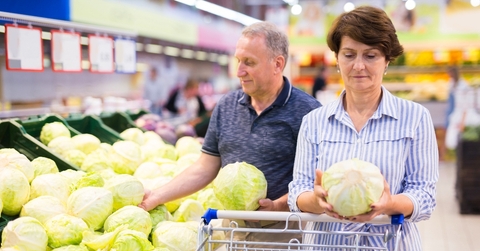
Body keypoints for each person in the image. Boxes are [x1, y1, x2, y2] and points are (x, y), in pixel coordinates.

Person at [139, 21, 321, 246]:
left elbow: (315, 180)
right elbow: (205, 167)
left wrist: (279, 205)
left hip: (284, 234)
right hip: (233, 231)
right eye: (238, 61)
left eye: (249, 63)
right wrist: (157, 196)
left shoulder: (309, 112)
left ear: (277, 64)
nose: (239, 71)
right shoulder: (226, 106)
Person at [288, 6, 439, 250]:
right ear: (337, 58)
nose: (358, 66)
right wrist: (317, 202)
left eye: (370, 56)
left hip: (389, 244)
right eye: (349, 55)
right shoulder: (314, 122)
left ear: (387, 60)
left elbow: (424, 196)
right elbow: (298, 191)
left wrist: (390, 203)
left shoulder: (415, 118)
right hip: (327, 244)